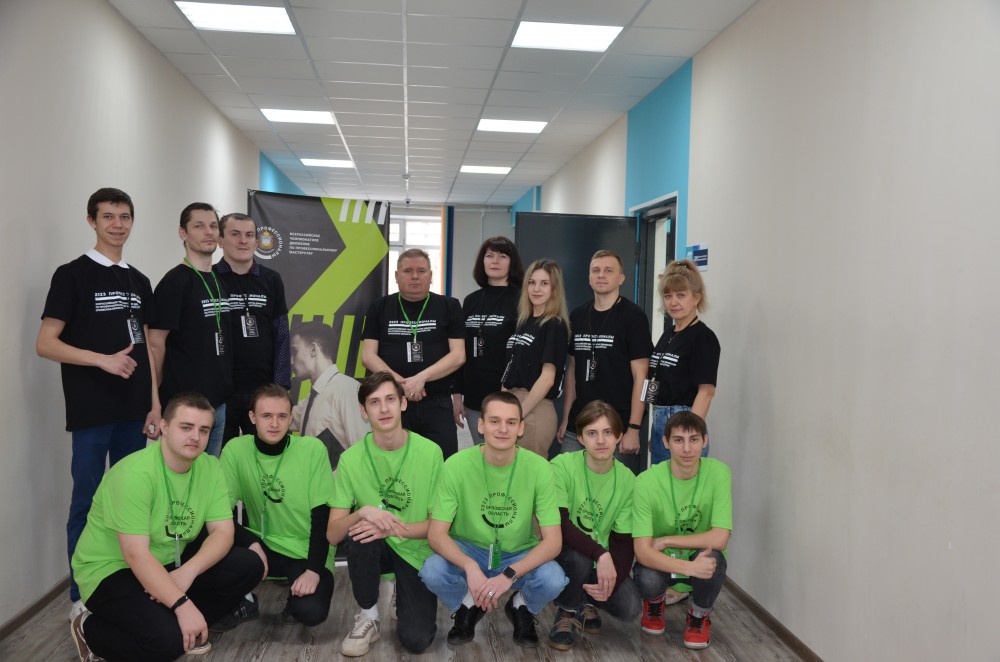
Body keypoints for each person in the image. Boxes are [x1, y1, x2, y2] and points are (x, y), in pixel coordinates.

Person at [36, 187, 161, 621]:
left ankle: (129, 586)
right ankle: (81, 596)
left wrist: (154, 404)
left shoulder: (139, 280)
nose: (117, 224)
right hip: (92, 412)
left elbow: (146, 349)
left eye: (124, 217)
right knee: (86, 503)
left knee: (131, 504)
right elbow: (45, 343)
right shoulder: (72, 275)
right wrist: (101, 360)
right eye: (108, 216)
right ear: (92, 221)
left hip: (134, 412)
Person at [69, 393, 265, 662]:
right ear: (164, 427)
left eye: (204, 430)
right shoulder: (134, 475)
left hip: (168, 560)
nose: (195, 436)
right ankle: (88, 628)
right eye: (186, 427)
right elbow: (136, 555)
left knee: (249, 565)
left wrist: (187, 572)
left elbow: (223, 532)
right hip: (111, 570)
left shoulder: (210, 467)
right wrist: (181, 603)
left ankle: (184, 624)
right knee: (167, 643)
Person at [420, 391, 568, 648]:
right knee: (432, 571)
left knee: (554, 578)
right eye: (494, 421)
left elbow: (553, 542)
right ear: (480, 425)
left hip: (517, 552)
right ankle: (469, 602)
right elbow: (436, 534)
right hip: (470, 548)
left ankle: (521, 606)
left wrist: (509, 574)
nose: (502, 429)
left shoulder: (540, 468)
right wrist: (469, 566)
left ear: (521, 428)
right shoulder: (455, 465)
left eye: (511, 422)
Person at [327, 371, 444, 656]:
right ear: (363, 411)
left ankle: (402, 594)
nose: (383, 408)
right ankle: (369, 616)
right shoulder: (351, 459)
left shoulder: (430, 453)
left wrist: (389, 528)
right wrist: (363, 513)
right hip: (374, 546)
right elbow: (333, 534)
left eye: (390, 399)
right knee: (358, 534)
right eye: (374, 402)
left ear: (403, 403)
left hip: (415, 548)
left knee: (417, 640)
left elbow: (437, 526)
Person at [219, 384, 335, 628]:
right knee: (210, 542)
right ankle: (244, 600)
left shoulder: (312, 450)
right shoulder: (236, 450)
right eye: (266, 416)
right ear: (252, 418)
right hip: (260, 545)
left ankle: (295, 597)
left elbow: (322, 517)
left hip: (303, 549)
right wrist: (251, 543)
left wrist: (313, 571)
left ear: (291, 418)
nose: (274, 423)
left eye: (282, 416)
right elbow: (219, 515)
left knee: (311, 612)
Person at [632, 411, 731, 650]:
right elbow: (642, 552)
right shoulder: (646, 481)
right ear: (665, 442)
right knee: (646, 575)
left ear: (705, 441)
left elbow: (720, 537)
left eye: (694, 439)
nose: (687, 449)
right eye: (678, 440)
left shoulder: (719, 473)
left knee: (713, 558)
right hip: (662, 559)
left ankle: (699, 616)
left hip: (698, 555)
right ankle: (654, 603)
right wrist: (689, 568)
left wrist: (667, 540)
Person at [547, 401, 640, 650]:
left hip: (601, 561)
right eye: (592, 433)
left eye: (607, 432)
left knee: (631, 607)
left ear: (619, 436)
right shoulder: (561, 466)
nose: (600, 440)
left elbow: (623, 541)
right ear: (580, 438)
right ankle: (567, 611)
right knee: (580, 558)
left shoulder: (628, 480)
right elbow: (560, 524)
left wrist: (610, 582)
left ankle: (586, 599)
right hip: (563, 554)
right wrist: (600, 553)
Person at [362, 248, 465, 458]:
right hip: (393, 403)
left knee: (442, 463)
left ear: (431, 275)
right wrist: (401, 383)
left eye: (421, 271)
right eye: (408, 271)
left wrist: (421, 378)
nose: (415, 276)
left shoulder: (449, 306)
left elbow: (458, 356)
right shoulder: (379, 307)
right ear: (396, 276)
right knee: (395, 463)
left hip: (437, 403)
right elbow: (368, 356)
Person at [149, 203, 233, 457]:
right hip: (185, 407)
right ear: (183, 233)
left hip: (218, 404)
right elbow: (155, 344)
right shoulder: (175, 282)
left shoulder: (218, 280)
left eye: (213, 226)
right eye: (199, 226)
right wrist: (156, 399)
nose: (208, 232)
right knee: (179, 476)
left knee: (207, 475)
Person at [559, 250, 653, 474]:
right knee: (566, 482)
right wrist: (565, 419)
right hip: (578, 424)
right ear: (589, 278)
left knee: (616, 490)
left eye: (608, 270)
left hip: (617, 427)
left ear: (621, 278)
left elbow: (642, 376)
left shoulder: (633, 317)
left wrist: (634, 428)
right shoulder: (577, 316)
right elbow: (572, 371)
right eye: (596, 270)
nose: (601, 275)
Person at [214, 212, 291, 444]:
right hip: (221, 391)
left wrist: (280, 387)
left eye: (249, 235)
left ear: (257, 243)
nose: (243, 241)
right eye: (235, 234)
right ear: (220, 240)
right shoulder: (209, 279)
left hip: (262, 391)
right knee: (219, 456)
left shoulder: (271, 279)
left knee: (264, 454)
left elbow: (281, 334)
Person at [452, 237, 524, 448]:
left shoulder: (521, 299)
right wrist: (457, 396)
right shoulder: (471, 300)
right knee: (482, 454)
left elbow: (522, 353)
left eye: (502, 256)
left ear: (512, 262)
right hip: (474, 397)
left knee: (505, 454)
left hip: (506, 395)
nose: (495, 261)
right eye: (490, 256)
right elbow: (460, 350)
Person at [501, 258, 570, 458]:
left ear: (554, 289)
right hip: (514, 405)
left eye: (544, 283)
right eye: (532, 282)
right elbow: (510, 368)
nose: (536, 289)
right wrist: (502, 406)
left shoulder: (554, 325)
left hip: (534, 409)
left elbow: (547, 379)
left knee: (529, 474)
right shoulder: (524, 322)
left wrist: (518, 415)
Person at [289, 321, 370, 468]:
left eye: (294, 352)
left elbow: (364, 451)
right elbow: (281, 420)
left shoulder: (347, 390)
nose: (291, 361)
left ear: (313, 349)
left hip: (342, 482)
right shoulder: (309, 400)